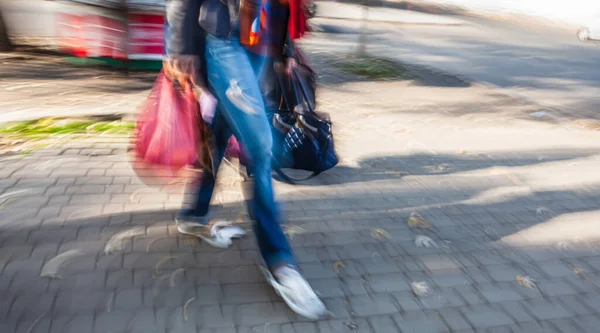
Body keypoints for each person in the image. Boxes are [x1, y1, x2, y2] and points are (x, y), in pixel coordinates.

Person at [163, 0, 326, 319]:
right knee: (260, 148)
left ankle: (193, 214)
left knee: (222, 131)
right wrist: (180, 44)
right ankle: (279, 261)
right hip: (228, 38)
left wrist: (287, 48)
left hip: (265, 38)